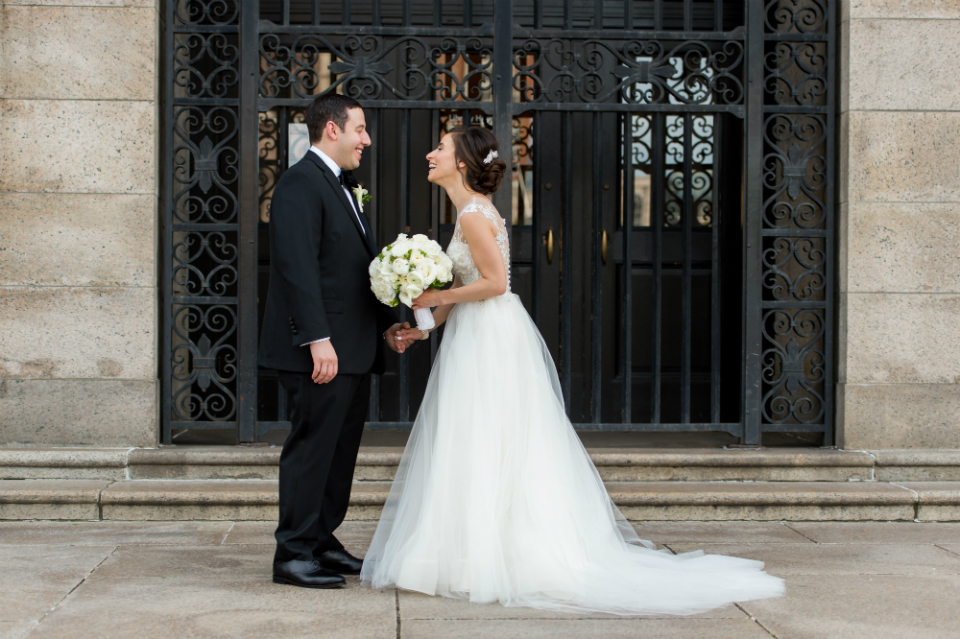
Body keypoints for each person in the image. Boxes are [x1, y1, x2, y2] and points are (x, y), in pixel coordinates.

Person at [359, 126, 785, 615]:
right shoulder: (467, 214)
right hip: (476, 330)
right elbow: (467, 284)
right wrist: (424, 327)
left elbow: (495, 283)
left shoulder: (475, 215)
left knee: (488, 433)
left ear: (461, 162)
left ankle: (497, 555)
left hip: (491, 334)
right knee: (480, 435)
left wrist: (439, 296)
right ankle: (477, 552)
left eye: (441, 147)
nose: (430, 153)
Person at [258, 94, 412, 589]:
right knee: (311, 449)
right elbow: (297, 268)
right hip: (319, 353)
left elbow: (355, 270)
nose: (366, 139)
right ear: (332, 129)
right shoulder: (301, 184)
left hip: (350, 348)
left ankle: (321, 539)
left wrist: (387, 321)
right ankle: (293, 553)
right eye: (360, 129)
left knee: (338, 451)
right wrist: (318, 339)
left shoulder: (343, 186)